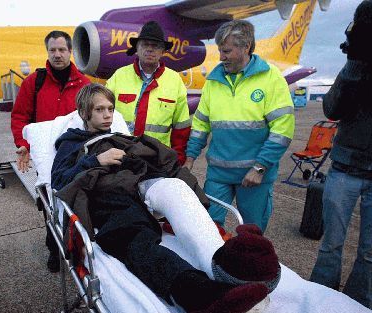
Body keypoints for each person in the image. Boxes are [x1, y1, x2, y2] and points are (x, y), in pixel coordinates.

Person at [51, 83, 281, 313]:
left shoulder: (119, 137)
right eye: (100, 109)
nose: (108, 115)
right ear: (84, 113)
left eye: (110, 108)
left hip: (141, 180)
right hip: (111, 195)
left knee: (176, 188)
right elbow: (59, 181)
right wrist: (95, 161)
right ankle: (203, 295)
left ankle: (226, 271)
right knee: (134, 238)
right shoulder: (71, 144)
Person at [184, 20, 294, 232]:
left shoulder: (271, 78)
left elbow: (282, 130)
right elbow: (200, 125)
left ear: (246, 47)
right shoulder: (214, 81)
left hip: (253, 176)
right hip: (218, 174)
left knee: (251, 233)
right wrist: (189, 159)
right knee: (210, 229)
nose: (221, 57)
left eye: (226, 51)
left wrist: (260, 168)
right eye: (220, 51)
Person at [310, 1, 372, 308]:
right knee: (331, 244)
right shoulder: (354, 68)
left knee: (370, 251)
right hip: (346, 168)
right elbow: (332, 109)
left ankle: (358, 303)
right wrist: (354, 65)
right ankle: (321, 299)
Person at [10, 30, 90, 273]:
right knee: (49, 204)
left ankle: (78, 248)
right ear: (47, 52)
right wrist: (22, 143)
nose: (57, 55)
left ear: (70, 52)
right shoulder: (34, 82)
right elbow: (20, 116)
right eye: (52, 50)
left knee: (77, 202)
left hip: (76, 155)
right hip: (46, 158)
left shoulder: (84, 84)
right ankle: (55, 249)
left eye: (62, 50)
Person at [106, 21, 191, 165]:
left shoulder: (175, 81)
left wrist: (177, 160)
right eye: (145, 44)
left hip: (157, 159)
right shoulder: (118, 77)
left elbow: (181, 129)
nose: (150, 50)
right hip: (121, 157)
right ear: (137, 48)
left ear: (163, 51)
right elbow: (102, 117)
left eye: (155, 46)